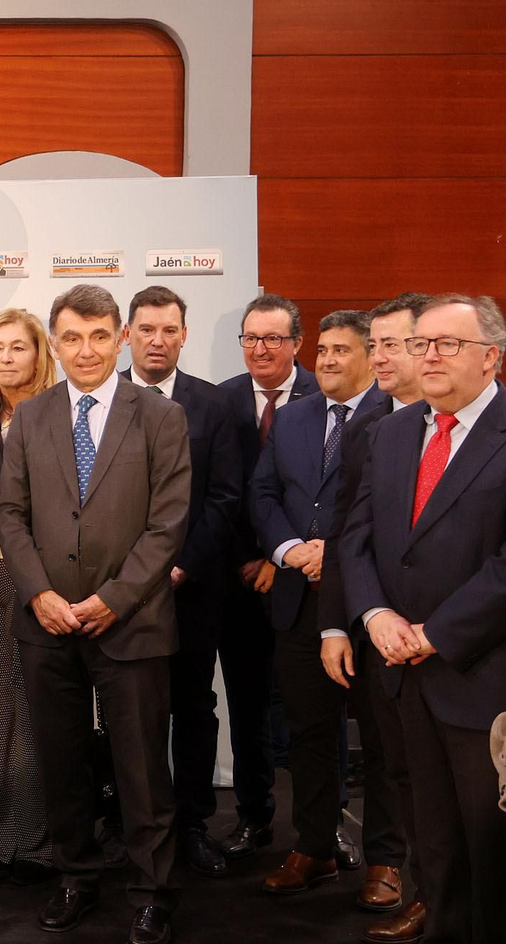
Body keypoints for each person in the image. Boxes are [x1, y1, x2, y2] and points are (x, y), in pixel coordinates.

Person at [343, 295, 506, 944]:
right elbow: (355, 539)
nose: (433, 355)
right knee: (435, 835)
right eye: (424, 342)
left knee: (497, 843)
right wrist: (376, 616)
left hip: (484, 674)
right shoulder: (389, 434)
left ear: (492, 356)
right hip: (401, 667)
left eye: (451, 342)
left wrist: (436, 634)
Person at [0, 283, 191, 944]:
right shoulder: (31, 416)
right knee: (63, 761)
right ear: (56, 342)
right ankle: (76, 875)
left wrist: (117, 596)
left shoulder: (161, 417)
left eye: (100, 335)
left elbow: (168, 524)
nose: (86, 349)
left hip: (130, 622)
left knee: (141, 768)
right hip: (46, 622)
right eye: (71, 337)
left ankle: (152, 894)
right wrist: (38, 592)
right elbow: (10, 515)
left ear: (123, 338)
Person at [250, 309, 385, 895]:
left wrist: (336, 551)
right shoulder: (294, 415)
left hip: (369, 602)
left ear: (372, 358)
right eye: (323, 350)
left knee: (381, 739)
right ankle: (314, 846)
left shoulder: (394, 415)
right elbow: (262, 491)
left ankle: (387, 860)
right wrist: (286, 549)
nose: (327, 360)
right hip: (299, 598)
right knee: (307, 731)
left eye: (342, 350)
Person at [317, 293, 431, 941]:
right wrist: (339, 623)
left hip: (459, 644)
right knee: (394, 764)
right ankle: (415, 885)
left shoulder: (498, 429)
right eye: (377, 344)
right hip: (378, 635)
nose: (378, 356)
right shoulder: (373, 429)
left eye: (392, 344)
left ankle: (452, 902)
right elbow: (348, 533)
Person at [121, 286, 242, 878]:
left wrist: (179, 564)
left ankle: (191, 824)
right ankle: (127, 823)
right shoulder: (99, 398)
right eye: (146, 329)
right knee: (122, 712)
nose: (157, 341)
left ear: (184, 335)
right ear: (127, 333)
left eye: (169, 330)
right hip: (114, 594)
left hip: (187, 587)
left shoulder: (213, 405)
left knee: (192, 707)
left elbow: (224, 498)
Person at [215, 294, 320, 860]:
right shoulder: (220, 399)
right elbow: (216, 493)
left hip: (306, 581)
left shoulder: (324, 397)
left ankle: (318, 833)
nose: (261, 349)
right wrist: (245, 560)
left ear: (296, 344)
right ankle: (254, 818)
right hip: (238, 582)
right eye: (251, 338)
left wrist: (282, 558)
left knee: (309, 714)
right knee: (249, 706)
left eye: (273, 339)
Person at [0, 308, 58, 884]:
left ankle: (40, 839)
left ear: (38, 354)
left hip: (41, 575)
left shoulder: (55, 413)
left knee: (38, 710)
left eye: (17, 348)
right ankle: (6, 837)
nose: (5, 358)